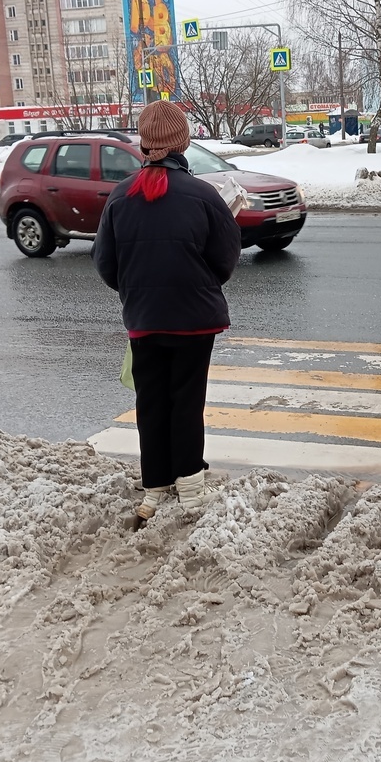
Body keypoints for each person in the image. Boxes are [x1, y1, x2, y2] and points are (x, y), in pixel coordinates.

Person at [93, 100, 242, 525]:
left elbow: (106, 263)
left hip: (144, 318)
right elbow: (225, 260)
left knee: (151, 401)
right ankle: (191, 486)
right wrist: (198, 282)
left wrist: (136, 292)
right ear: (183, 144)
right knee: (187, 400)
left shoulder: (120, 196)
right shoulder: (204, 195)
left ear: (144, 145)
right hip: (195, 319)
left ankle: (155, 487)